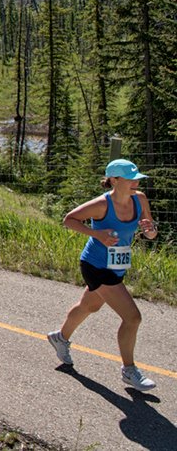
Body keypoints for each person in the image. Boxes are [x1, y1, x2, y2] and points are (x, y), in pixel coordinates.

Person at [46, 159, 159, 391]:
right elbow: (69, 220)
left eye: (137, 178)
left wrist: (150, 229)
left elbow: (151, 234)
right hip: (96, 265)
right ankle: (129, 371)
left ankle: (60, 337)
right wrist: (97, 234)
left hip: (117, 265)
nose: (136, 182)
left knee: (89, 306)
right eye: (131, 178)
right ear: (115, 180)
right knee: (132, 318)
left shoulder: (140, 199)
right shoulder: (101, 205)